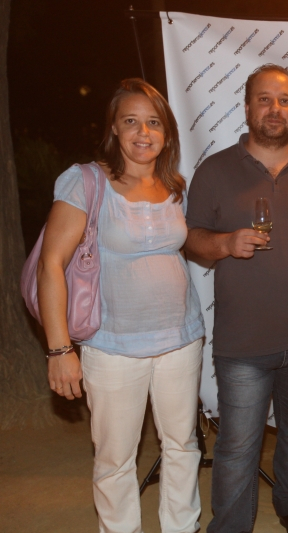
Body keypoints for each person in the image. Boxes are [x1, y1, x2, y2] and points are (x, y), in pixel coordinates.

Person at [39, 78, 205, 532]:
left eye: (154, 123)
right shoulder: (86, 181)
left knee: (183, 446)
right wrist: (59, 350)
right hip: (111, 347)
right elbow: (51, 265)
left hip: (181, 340)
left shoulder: (174, 185)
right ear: (114, 128)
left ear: (167, 133)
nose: (143, 132)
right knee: (115, 459)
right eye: (131, 121)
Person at [184, 64, 288, 533]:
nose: (275, 108)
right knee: (237, 447)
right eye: (265, 99)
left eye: (285, 100)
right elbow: (191, 239)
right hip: (243, 342)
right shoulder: (215, 169)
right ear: (248, 106)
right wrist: (226, 243)